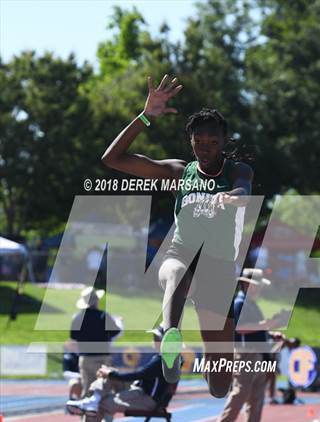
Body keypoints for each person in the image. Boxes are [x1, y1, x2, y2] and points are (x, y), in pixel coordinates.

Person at [101, 74, 253, 399]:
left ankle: (201, 352)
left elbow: (244, 189)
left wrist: (232, 198)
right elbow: (112, 159)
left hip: (218, 271)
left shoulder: (236, 170)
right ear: (191, 141)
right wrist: (146, 116)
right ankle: (171, 334)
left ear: (223, 143)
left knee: (219, 387)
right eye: (199, 142)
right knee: (176, 270)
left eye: (212, 143)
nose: (205, 148)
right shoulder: (177, 172)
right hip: (180, 256)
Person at [64, 324, 172, 422]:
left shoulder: (163, 359)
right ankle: (93, 399)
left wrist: (110, 374)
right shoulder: (165, 357)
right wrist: (111, 374)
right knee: (111, 376)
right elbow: (140, 376)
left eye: (156, 338)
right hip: (140, 392)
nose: (153, 341)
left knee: (100, 404)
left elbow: (139, 374)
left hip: (146, 400)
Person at [212, 269, 286, 422]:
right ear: (246, 284)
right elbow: (240, 328)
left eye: (259, 286)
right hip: (245, 354)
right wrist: (267, 324)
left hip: (257, 353)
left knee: (257, 393)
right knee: (242, 390)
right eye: (255, 285)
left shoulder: (250, 304)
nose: (258, 289)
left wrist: (270, 333)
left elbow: (254, 328)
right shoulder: (240, 303)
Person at [70, 286, 122, 422]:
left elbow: (73, 336)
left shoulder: (77, 318)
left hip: (85, 358)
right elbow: (115, 332)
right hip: (102, 358)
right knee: (104, 389)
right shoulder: (103, 316)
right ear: (96, 301)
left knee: (86, 389)